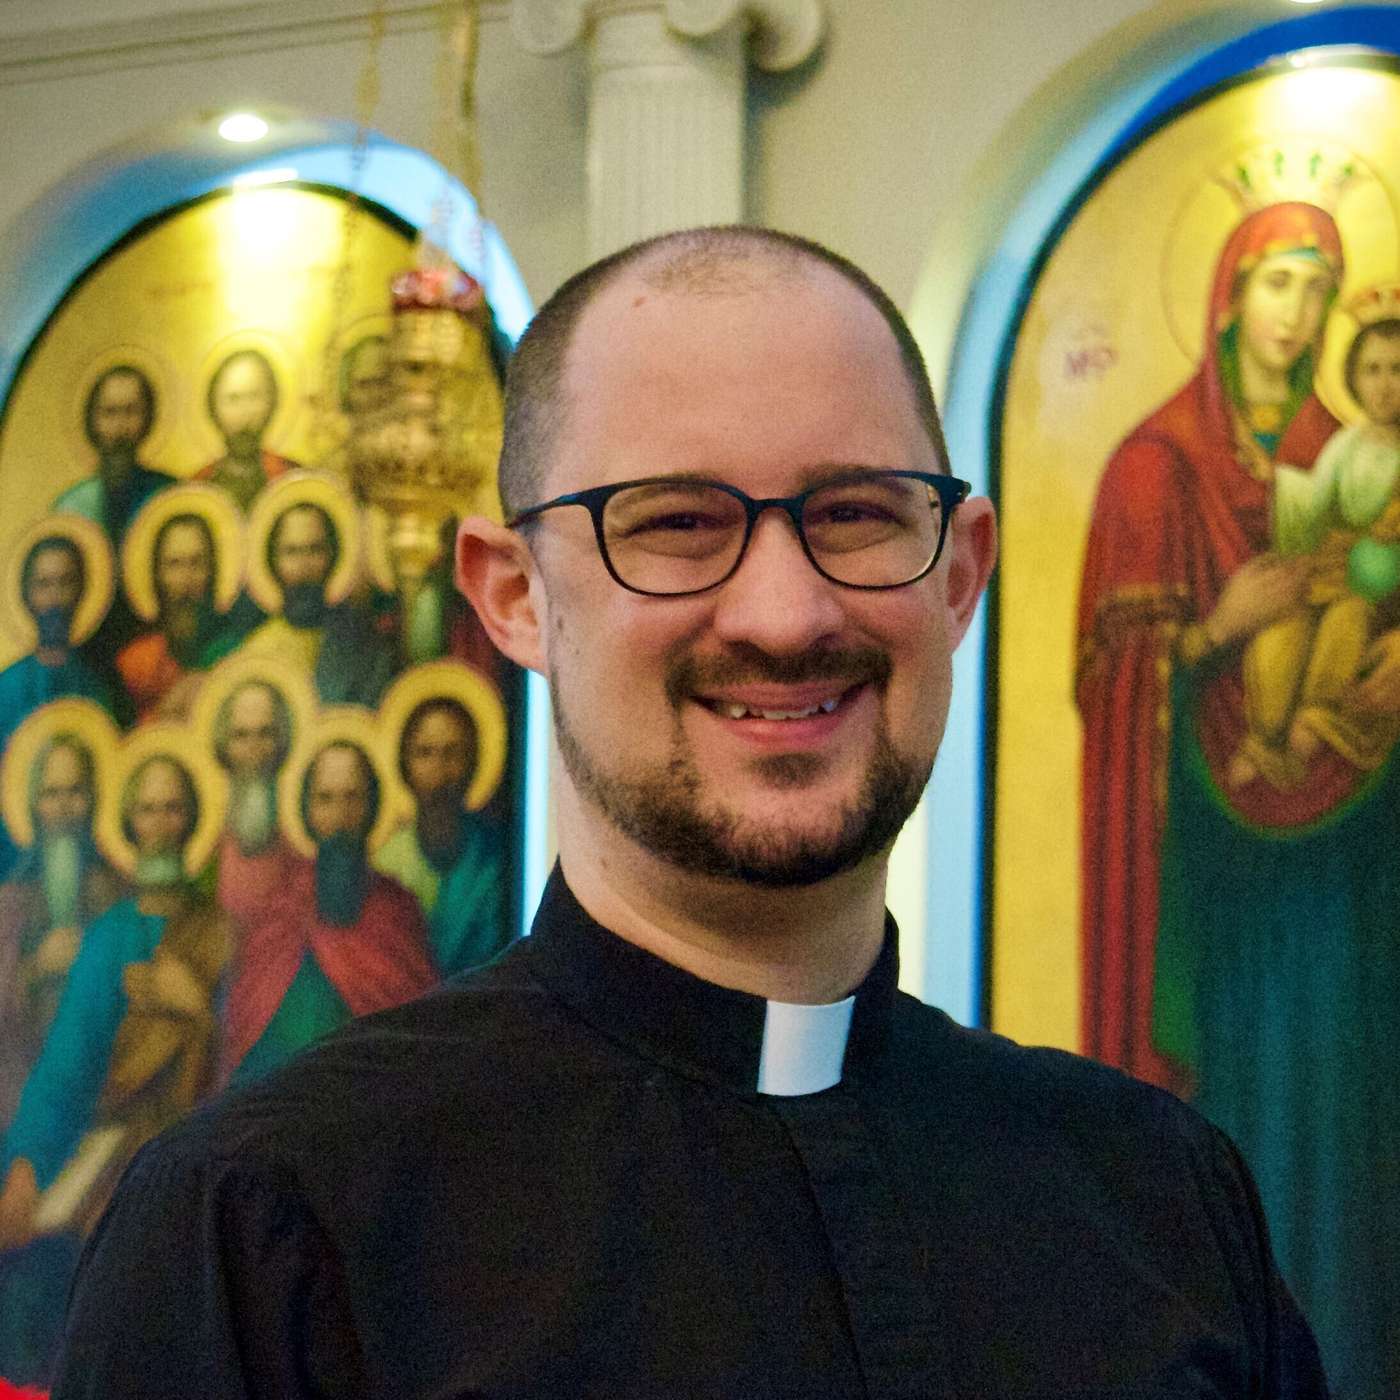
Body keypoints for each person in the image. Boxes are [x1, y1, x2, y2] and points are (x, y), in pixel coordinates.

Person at [52, 227, 1325, 1397]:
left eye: (854, 513)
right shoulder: (264, 1224)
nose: (785, 614)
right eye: (673, 523)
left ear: (958, 574)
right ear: (513, 595)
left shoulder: (1163, 1199)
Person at [1079, 199, 1400, 1397]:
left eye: (1318, 288)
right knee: (1230, 1117)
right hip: (1208, 889)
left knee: (1347, 1116)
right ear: (1226, 297)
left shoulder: (1354, 453)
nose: (1297, 312)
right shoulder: (1153, 465)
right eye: (1277, 282)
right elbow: (1112, 683)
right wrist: (1218, 627)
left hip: (1349, 880)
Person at [0, 748, 229, 1384]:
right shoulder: (111, 933)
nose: (160, 824)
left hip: (200, 1146)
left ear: (193, 819)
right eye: (147, 809)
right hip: (114, 1141)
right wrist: (26, 1165)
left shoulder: (220, 930)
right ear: (129, 821)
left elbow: (244, 1062)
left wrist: (194, 1010)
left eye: (173, 808)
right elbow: (68, 1060)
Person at [1231, 308, 1400, 787]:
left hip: (1378, 590)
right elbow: (1315, 502)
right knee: (1281, 635)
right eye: (1372, 370)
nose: (1385, 385)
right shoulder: (1346, 445)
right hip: (1329, 567)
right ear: (1352, 379)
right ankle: (1265, 738)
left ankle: (1313, 725)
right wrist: (1287, 496)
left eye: (1397, 369)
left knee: (1346, 625)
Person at [220, 738, 436, 1087]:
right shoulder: (279, 909)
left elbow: (416, 1031)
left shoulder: (396, 909)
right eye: (325, 799)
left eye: (353, 797)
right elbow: (246, 1031)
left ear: (372, 805)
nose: (340, 817)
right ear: (306, 809)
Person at [0, 733, 126, 1126]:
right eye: (51, 793)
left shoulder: (116, 891)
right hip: (25, 1081)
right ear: (33, 803)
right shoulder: (11, 900)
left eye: (75, 791)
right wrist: (36, 967)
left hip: (103, 1082)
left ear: (93, 799)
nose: (64, 807)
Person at [372, 690, 507, 974]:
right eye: (425, 753)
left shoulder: (497, 856)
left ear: (473, 762)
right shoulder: (385, 862)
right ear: (405, 765)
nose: (439, 770)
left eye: (453, 752)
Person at [239, 483, 396, 705]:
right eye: (291, 551)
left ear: (333, 555)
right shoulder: (257, 650)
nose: (304, 565)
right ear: (272, 561)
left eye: (315, 549)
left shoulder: (362, 642)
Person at [114, 510, 243, 721]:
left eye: (196, 563)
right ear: (157, 573)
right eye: (174, 564)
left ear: (212, 571)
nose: (186, 579)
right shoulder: (135, 663)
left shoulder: (235, 653)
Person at [0, 532, 116, 755]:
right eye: (43, 584)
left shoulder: (97, 684)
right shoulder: (6, 687)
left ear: (81, 590)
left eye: (66, 582)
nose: (55, 598)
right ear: (27, 595)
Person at [206, 676, 300, 927]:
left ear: (282, 740)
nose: (254, 747)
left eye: (266, 733)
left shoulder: (302, 829)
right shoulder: (206, 836)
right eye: (240, 735)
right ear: (223, 744)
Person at [52, 367, 175, 542]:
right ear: (92, 420)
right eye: (109, 412)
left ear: (148, 418)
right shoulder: (72, 506)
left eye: (131, 411)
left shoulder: (166, 494)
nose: (120, 427)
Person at [195, 350, 301, 509]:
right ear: (213, 407)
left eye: (254, 396)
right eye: (233, 398)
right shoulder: (198, 485)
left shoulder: (292, 477)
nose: (244, 412)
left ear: (272, 403)